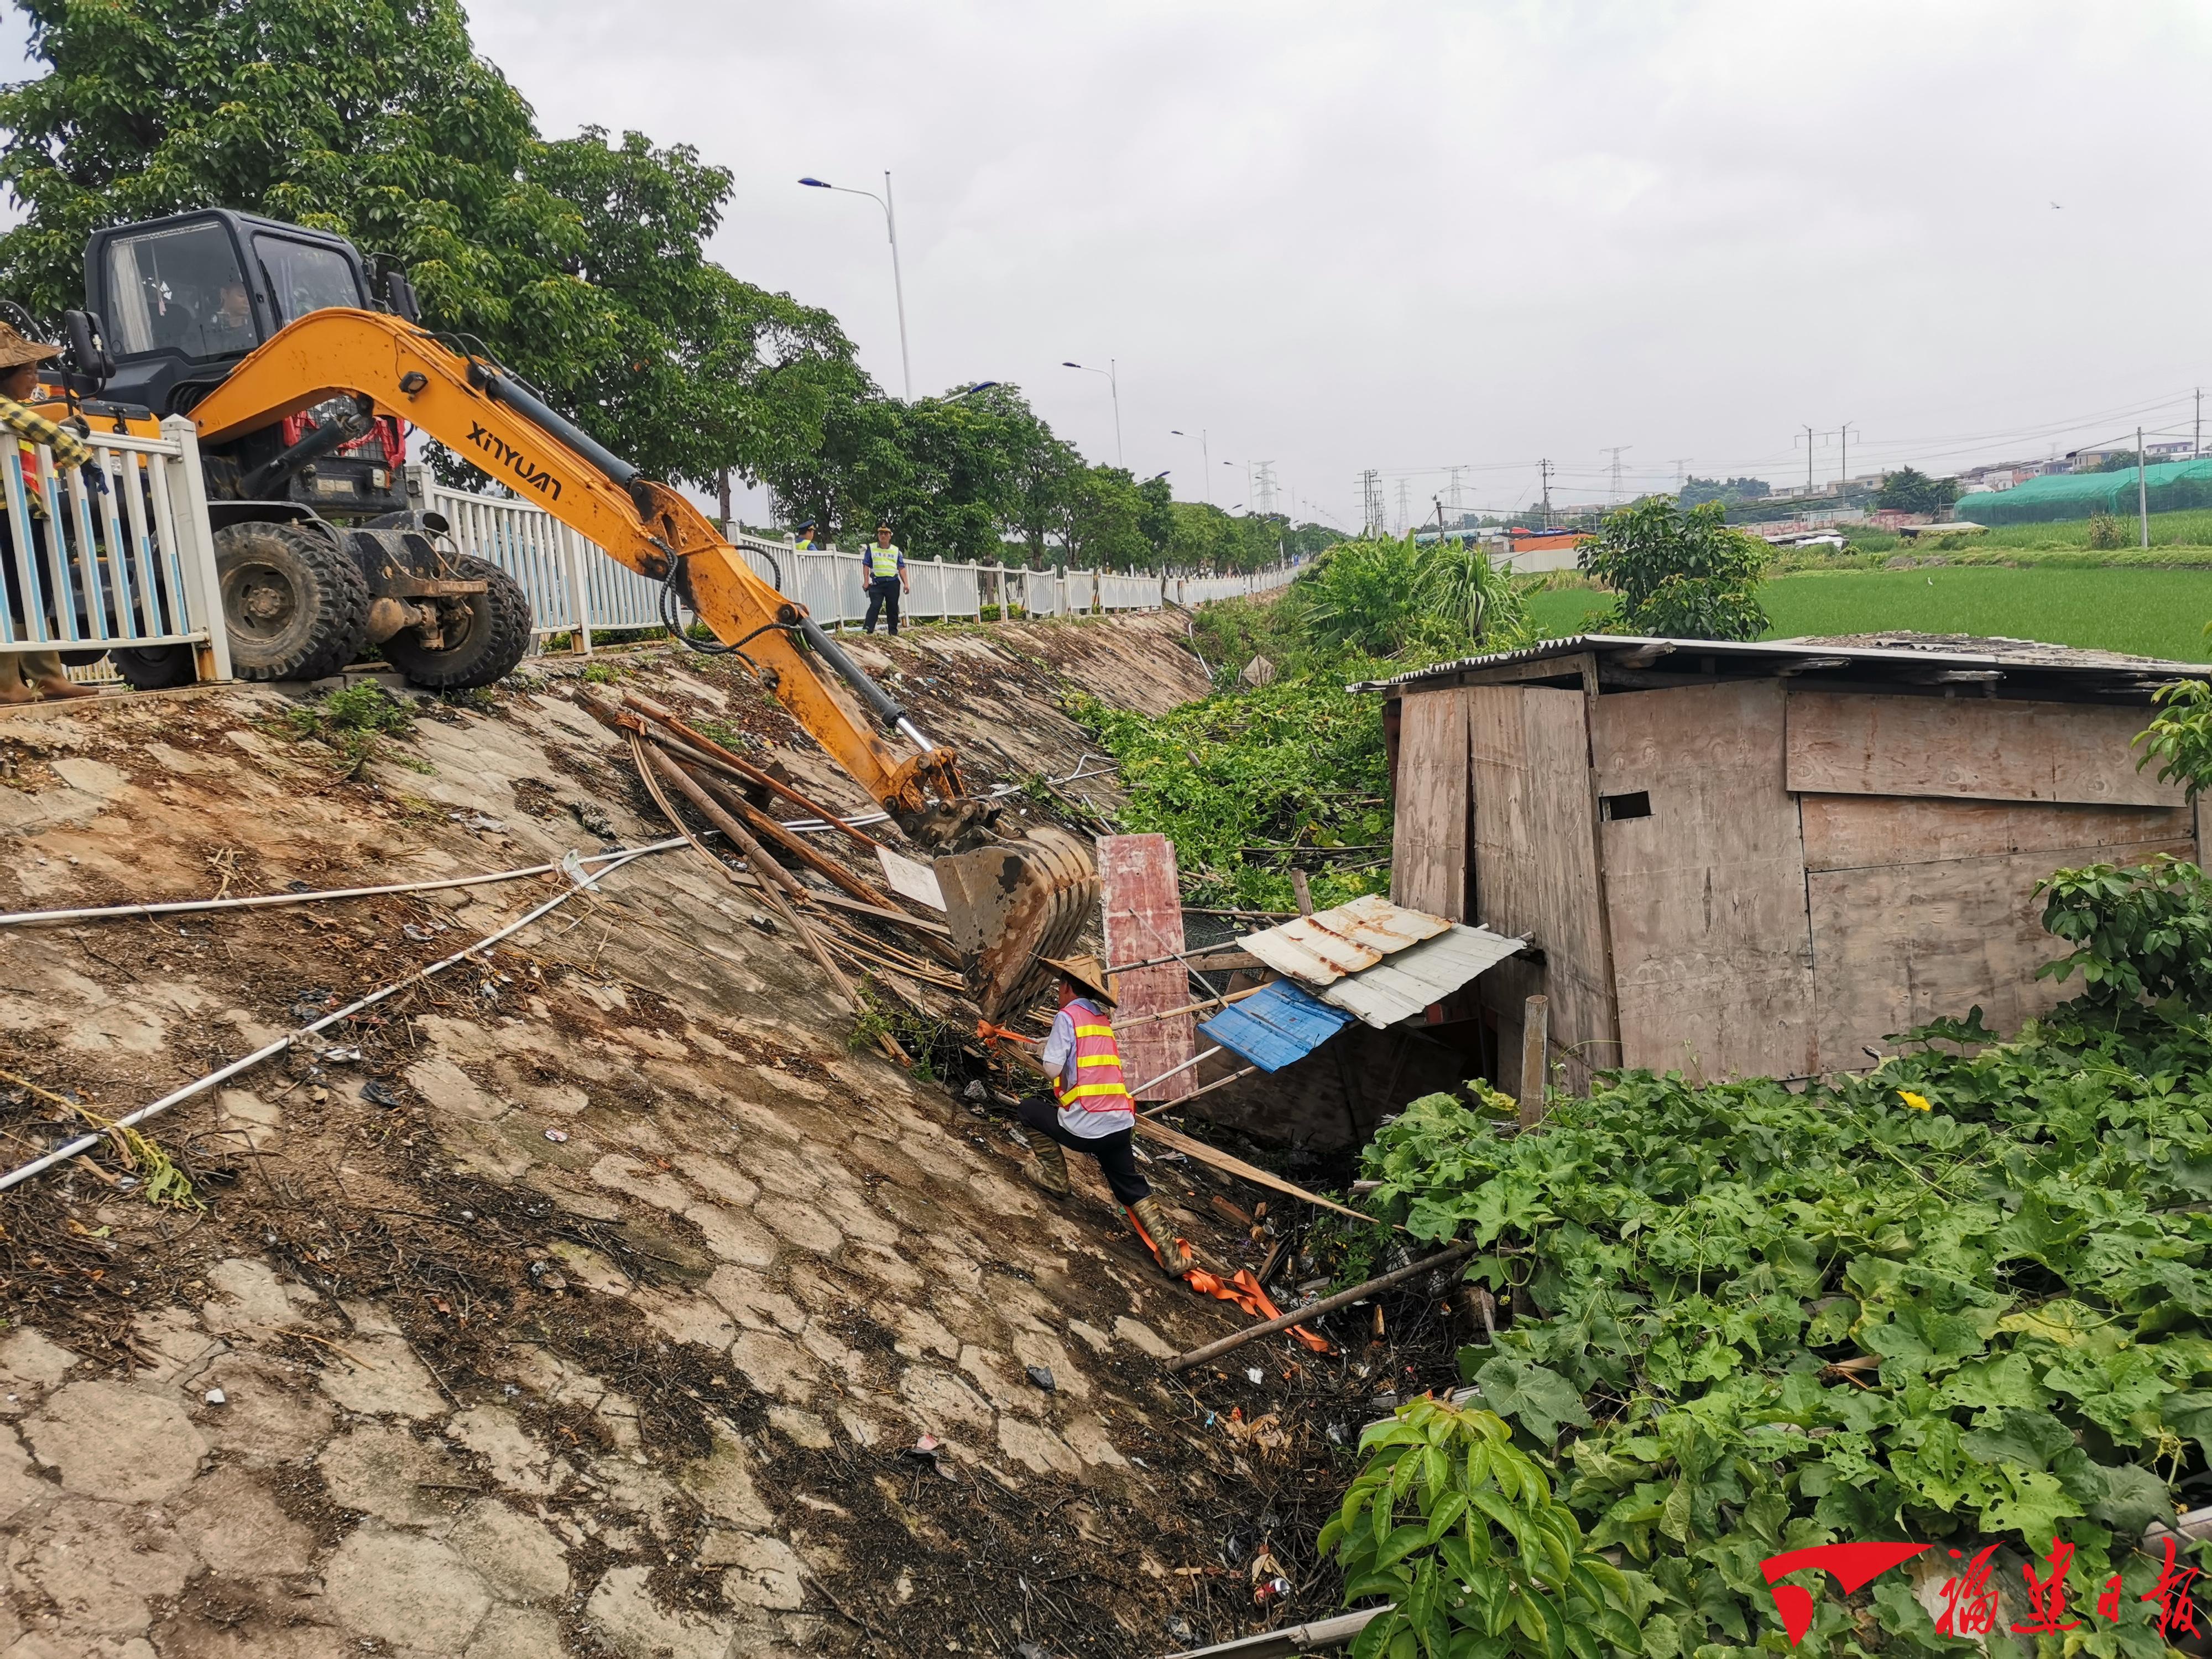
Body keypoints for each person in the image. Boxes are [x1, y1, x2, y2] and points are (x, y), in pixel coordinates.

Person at [1019, 956, 1195, 1280]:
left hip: (1085, 1126)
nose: (1058, 991)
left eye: (1060, 985)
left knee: (1030, 1109)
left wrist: (1045, 1054)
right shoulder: (1100, 1020)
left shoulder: (1066, 1016)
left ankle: (1057, 1181)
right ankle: (1173, 1256)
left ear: (1067, 987)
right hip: (1119, 1123)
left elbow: (1052, 1069)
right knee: (1128, 1184)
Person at [0, 324, 96, 705]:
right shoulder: (4, 408)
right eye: (28, 371)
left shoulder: (17, 409)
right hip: (6, 511)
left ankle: (46, 677)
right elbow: (42, 431)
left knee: (33, 594)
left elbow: (40, 441)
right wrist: (78, 450)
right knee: (11, 594)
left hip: (26, 508)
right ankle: (8, 683)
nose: (35, 378)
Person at [861, 522, 909, 635]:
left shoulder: (896, 551)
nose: (883, 536)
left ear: (890, 536)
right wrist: (866, 581)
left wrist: (906, 583)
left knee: (892, 607)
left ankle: (893, 632)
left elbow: (901, 568)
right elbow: (866, 565)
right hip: (877, 583)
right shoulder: (872, 549)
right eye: (881, 533)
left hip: (892, 582)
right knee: (875, 605)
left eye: (886, 533)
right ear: (878, 535)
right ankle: (867, 629)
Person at [190, 278, 257, 357]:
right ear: (224, 294)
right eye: (242, 295)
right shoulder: (202, 326)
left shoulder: (257, 326)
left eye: (250, 296)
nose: (247, 301)